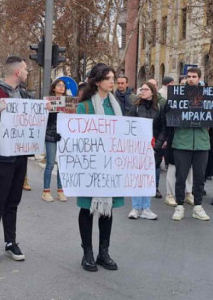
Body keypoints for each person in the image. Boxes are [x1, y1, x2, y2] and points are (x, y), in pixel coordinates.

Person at [0, 56, 32, 264]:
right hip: (2, 156)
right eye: (26, 69)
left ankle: (10, 242)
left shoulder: (23, 94)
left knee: (13, 200)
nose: (28, 72)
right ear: (17, 72)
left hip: (19, 154)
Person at [76, 63, 123, 271]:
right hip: (90, 166)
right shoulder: (84, 106)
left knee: (107, 210)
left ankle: (104, 252)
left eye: (113, 77)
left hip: (110, 165)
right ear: (97, 82)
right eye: (108, 78)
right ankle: (87, 253)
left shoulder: (116, 105)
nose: (112, 81)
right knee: (87, 209)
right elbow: (76, 135)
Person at [157, 67, 210, 222]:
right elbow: (166, 115)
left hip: (201, 143)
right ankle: (179, 206)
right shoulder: (177, 96)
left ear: (199, 78)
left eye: (194, 76)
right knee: (180, 177)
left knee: (199, 178)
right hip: (182, 142)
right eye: (189, 76)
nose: (191, 79)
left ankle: (198, 207)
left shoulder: (207, 96)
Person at [127, 82, 160, 220]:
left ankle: (146, 208)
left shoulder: (159, 108)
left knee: (148, 178)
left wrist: (157, 144)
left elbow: (162, 127)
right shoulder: (135, 107)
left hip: (153, 148)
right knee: (137, 177)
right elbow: (129, 126)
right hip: (137, 147)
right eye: (141, 89)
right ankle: (135, 207)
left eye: (146, 89)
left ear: (152, 92)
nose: (142, 91)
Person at [42, 78, 68, 202]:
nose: (61, 87)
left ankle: (60, 190)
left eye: (63, 85)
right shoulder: (48, 102)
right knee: (50, 164)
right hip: (50, 135)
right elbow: (44, 120)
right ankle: (46, 191)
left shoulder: (68, 102)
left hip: (63, 136)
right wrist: (46, 109)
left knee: (62, 165)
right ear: (54, 88)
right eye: (59, 85)